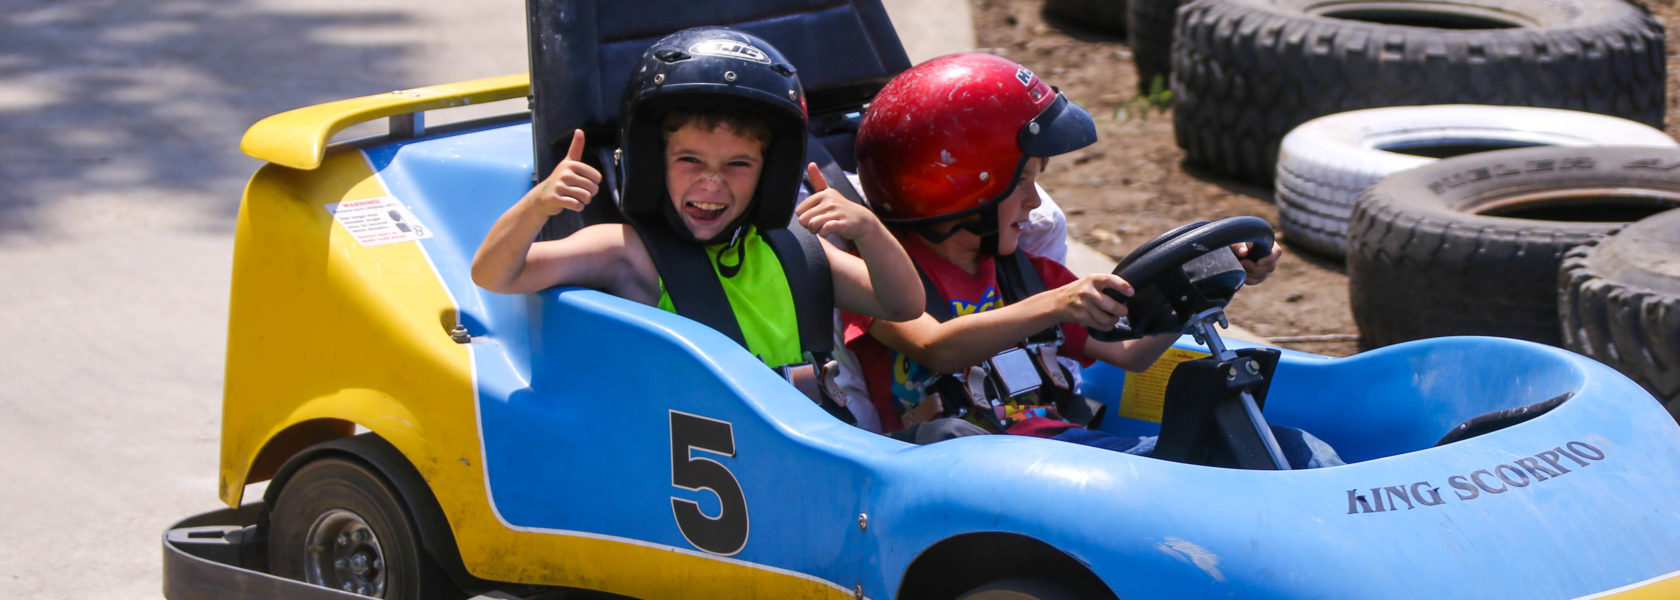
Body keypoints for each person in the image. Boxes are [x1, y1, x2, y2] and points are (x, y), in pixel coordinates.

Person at [842, 53, 1339, 467]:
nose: (1036, 203)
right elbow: (935, 348)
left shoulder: (1031, 276)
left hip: (1069, 459)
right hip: (973, 472)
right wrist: (1057, 305)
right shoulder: (884, 281)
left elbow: (1132, 354)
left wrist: (1210, 280)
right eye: (1022, 183)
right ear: (957, 186)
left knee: (1289, 450)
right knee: (1255, 458)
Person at [471, 27, 924, 407]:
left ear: (771, 174)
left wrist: (868, 229)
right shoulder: (625, 252)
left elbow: (904, 304)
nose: (712, 183)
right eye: (690, 160)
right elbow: (495, 274)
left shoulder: (796, 250)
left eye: (738, 165)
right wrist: (540, 204)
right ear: (651, 162)